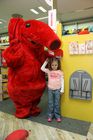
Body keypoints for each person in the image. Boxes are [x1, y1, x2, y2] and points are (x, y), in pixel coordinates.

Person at [41, 57, 64, 122]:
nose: (54, 66)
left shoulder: (60, 72)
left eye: (55, 65)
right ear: (50, 65)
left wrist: (62, 90)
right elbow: (42, 68)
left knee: (57, 103)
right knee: (50, 103)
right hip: (50, 89)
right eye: (52, 65)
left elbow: (62, 81)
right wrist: (46, 61)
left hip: (57, 90)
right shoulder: (49, 71)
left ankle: (57, 116)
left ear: (58, 65)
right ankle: (50, 116)